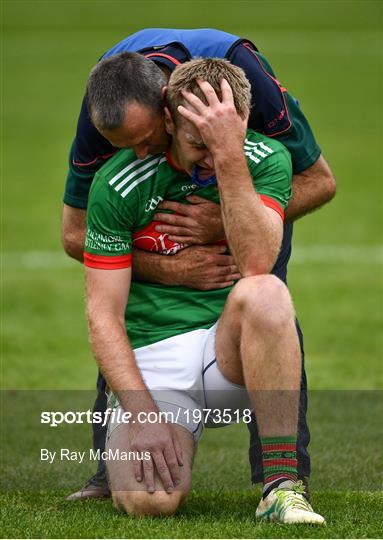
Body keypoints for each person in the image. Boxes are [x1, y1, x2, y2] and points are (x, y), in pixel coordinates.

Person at [64, 28, 335, 500]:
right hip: (155, 334)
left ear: (167, 111)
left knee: (267, 295)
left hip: (251, 209)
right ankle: (113, 466)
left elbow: (320, 182)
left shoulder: (250, 88)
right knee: (114, 293)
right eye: (129, 147)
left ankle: (283, 477)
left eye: (145, 140)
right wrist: (172, 268)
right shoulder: (110, 115)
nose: (141, 155)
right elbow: (76, 237)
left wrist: (224, 212)